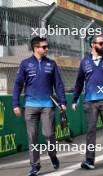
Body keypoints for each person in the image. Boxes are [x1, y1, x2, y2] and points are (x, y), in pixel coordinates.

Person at [12, 36, 66, 176]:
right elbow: (18, 84)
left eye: (47, 46)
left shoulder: (51, 64)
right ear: (36, 48)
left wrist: (63, 102)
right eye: (44, 47)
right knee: (32, 137)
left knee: (49, 134)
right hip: (30, 106)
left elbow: (58, 85)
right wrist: (15, 104)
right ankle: (35, 165)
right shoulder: (25, 64)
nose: (47, 49)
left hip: (47, 105)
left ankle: (52, 155)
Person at [72, 35, 103, 170]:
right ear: (93, 45)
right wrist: (75, 99)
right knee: (91, 131)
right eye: (100, 43)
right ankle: (89, 160)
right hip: (90, 102)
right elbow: (79, 82)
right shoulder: (84, 61)